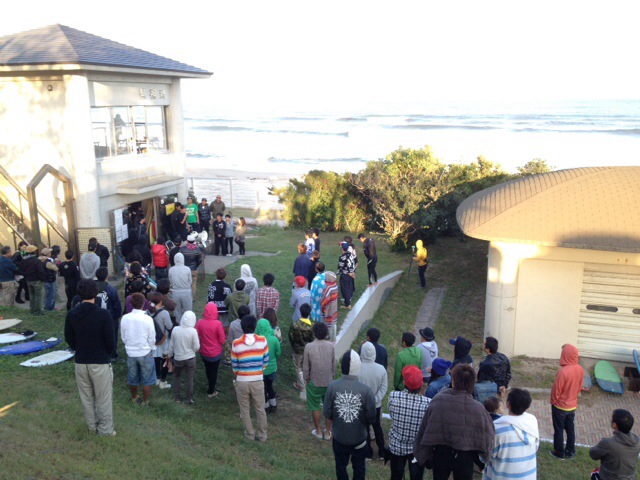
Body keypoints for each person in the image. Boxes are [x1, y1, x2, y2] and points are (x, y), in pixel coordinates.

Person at [414, 364, 495, 480]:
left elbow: (425, 427)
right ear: (472, 384)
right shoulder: (478, 408)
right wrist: (483, 458)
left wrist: (425, 453)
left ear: (453, 381)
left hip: (441, 453)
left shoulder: (438, 399)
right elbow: (489, 433)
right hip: (466, 456)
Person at [64, 279, 116, 436]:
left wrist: (79, 348)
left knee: (86, 397)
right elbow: (111, 341)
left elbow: (69, 338)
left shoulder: (72, 314)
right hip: (100, 362)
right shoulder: (103, 314)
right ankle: (105, 430)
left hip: (81, 361)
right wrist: (107, 353)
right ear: (96, 292)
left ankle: (92, 427)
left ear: (79, 293)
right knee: (103, 397)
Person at [324, 350, 376, 480]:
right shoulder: (366, 390)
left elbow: (327, 413)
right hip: (359, 438)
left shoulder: (332, 387)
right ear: (358, 366)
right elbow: (371, 416)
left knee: (340, 466)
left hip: (339, 437)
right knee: (359, 467)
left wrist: (331, 428)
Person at [482, 388, 539, 480]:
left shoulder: (496, 429)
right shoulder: (532, 421)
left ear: (508, 404)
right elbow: (536, 446)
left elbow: (487, 457)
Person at [388, 365, 430, 480]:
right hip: (417, 448)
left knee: (396, 476)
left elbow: (391, 414)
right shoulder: (428, 403)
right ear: (421, 384)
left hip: (397, 446)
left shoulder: (393, 396)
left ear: (404, 382)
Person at [231, 314, 269, 442]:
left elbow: (234, 365)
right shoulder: (262, 341)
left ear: (242, 327)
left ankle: (249, 434)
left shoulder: (236, 343)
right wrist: (258, 371)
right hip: (257, 380)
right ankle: (262, 435)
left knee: (245, 410)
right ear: (255, 326)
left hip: (242, 381)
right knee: (260, 409)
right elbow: (266, 361)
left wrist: (241, 374)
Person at [120, 292, 157, 406]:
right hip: (145, 352)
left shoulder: (125, 318)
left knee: (132, 377)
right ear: (143, 304)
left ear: (131, 303)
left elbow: (123, 337)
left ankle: (134, 397)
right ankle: (145, 401)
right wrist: (151, 347)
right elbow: (152, 337)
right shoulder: (148, 319)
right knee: (147, 379)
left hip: (131, 352)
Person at [549, 343, 584, 460]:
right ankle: (570, 451)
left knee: (559, 429)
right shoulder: (580, 369)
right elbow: (579, 386)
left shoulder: (563, 371)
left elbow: (556, 390)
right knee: (570, 429)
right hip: (572, 405)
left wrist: (553, 401)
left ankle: (559, 453)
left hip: (560, 406)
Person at [303, 322, 335, 440]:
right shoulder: (331, 346)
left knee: (314, 406)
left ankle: (318, 431)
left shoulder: (308, 347)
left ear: (314, 333)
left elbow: (306, 367)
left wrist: (306, 379)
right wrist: (332, 377)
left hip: (314, 382)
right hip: (328, 382)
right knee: (328, 407)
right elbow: (333, 364)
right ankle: (328, 432)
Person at [358, 341, 388, 460]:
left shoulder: (357, 369)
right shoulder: (381, 369)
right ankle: (382, 451)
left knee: (364, 428)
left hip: (362, 405)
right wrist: (375, 399)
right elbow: (384, 387)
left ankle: (368, 453)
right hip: (376, 405)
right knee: (377, 427)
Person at [589, 409, 640, 480]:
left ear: (614, 425)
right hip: (629, 478)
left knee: (594, 474)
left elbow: (593, 455)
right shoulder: (637, 441)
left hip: (609, 477)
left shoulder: (608, 443)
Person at [167, 311, 200, 405]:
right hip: (190, 358)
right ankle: (188, 399)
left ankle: (177, 397)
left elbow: (171, 345)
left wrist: (169, 355)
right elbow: (196, 348)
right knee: (190, 379)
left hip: (178, 358)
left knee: (176, 376)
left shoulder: (175, 329)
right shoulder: (193, 331)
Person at [195, 302, 226, 398]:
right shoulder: (217, 324)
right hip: (215, 353)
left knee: (208, 368)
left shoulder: (200, 322)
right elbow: (222, 340)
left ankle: (209, 381)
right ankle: (211, 391)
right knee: (214, 371)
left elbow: (195, 335)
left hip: (203, 352)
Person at [147, 291, 173, 390]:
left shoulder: (147, 312)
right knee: (165, 360)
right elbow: (169, 326)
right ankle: (163, 381)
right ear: (161, 301)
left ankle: (157, 378)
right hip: (163, 340)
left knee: (156, 359)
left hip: (153, 340)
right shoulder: (164, 313)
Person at [96, 267, 123, 360]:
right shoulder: (111, 289)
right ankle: (112, 354)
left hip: (97, 316)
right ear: (107, 276)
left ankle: (101, 351)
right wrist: (118, 315)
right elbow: (116, 304)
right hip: (111, 317)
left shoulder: (93, 288)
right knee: (112, 335)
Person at [256, 318, 281, 414]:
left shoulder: (256, 341)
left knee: (263, 389)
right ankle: (273, 405)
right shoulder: (274, 339)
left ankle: (266, 407)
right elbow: (278, 353)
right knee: (269, 386)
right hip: (272, 369)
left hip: (261, 370)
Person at [289, 303, 314, 393]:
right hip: (308, 350)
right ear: (309, 313)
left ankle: (302, 385)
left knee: (298, 367)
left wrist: (294, 346)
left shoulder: (294, 325)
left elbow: (291, 337)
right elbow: (313, 339)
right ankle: (307, 381)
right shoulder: (312, 326)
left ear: (300, 311)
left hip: (297, 350)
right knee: (306, 366)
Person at [21, 245, 46, 316]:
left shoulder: (24, 260)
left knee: (32, 296)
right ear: (34, 251)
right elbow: (41, 271)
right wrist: (43, 279)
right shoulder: (37, 261)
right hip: (37, 281)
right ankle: (38, 312)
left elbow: (22, 270)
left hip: (28, 280)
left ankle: (32, 310)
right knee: (38, 297)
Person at [168, 252, 193, 323]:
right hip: (186, 292)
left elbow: (170, 281)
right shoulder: (187, 269)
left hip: (175, 292)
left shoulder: (171, 269)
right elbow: (190, 281)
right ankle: (188, 324)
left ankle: (179, 324)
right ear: (183, 259)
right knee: (188, 311)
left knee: (177, 311)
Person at [179, 233, 202, 298]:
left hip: (184, 269)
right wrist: (196, 266)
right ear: (194, 241)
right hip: (193, 269)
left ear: (187, 240)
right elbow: (199, 260)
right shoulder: (197, 249)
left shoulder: (182, 249)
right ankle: (192, 297)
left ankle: (185, 296)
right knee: (193, 284)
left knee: (185, 283)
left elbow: (179, 258)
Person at [337, 241, 356, 309]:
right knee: (348, 288)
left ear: (342, 248)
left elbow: (340, 267)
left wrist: (337, 274)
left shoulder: (342, 257)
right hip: (351, 274)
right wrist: (353, 272)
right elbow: (353, 263)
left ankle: (348, 305)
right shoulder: (350, 254)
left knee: (344, 289)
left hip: (345, 275)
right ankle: (347, 301)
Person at [321, 271, 339, 341]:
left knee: (330, 324)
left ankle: (332, 338)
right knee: (333, 322)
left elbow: (325, 299)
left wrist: (322, 304)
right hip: (334, 306)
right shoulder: (335, 285)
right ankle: (332, 336)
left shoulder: (328, 288)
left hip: (328, 308)